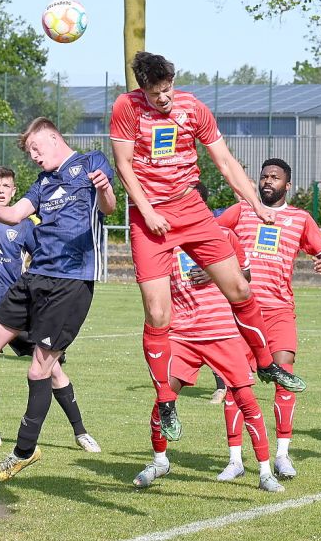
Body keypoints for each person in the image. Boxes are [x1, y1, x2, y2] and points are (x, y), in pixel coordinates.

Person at [110, 51, 304, 442]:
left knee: (239, 289)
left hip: (191, 209)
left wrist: (256, 205)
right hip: (149, 219)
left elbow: (226, 162)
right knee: (158, 313)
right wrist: (146, 212)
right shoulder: (126, 108)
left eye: (167, 89)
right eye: (155, 92)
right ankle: (165, 399)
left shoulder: (192, 108)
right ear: (141, 88)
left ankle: (266, 364)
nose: (163, 98)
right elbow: (124, 166)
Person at [0, 117, 115, 482]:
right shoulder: (42, 183)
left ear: (53, 138)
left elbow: (109, 207)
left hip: (71, 281)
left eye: (36, 149)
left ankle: (24, 451)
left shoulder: (92, 161)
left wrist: (104, 189)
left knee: (40, 369)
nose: (33, 156)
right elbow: (13, 214)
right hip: (34, 278)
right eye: (30, 152)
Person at [133, 183, 284, 493]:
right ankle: (160, 461)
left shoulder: (222, 237)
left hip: (222, 332)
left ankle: (265, 471)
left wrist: (215, 272)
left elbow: (244, 280)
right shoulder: (161, 242)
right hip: (182, 335)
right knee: (164, 398)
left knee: (246, 398)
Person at [217, 158, 321, 478]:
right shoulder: (240, 211)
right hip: (241, 311)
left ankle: (282, 455)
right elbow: (209, 238)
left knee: (284, 376)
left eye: (275, 177)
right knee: (236, 384)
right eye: (264, 176)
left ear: (287, 185)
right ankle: (235, 460)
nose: (268, 181)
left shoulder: (300, 218)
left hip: (280, 312)